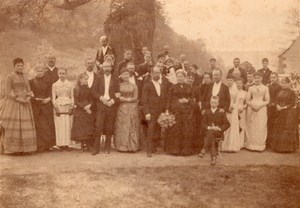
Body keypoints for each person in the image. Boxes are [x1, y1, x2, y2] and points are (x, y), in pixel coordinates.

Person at [0, 58, 37, 154]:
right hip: (14, 102)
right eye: (18, 66)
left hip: (25, 103)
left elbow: (28, 88)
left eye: (21, 65)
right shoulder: (10, 76)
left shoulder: (25, 76)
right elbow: (7, 91)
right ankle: (13, 149)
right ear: (14, 66)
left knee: (25, 125)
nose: (20, 67)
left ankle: (25, 149)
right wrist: (17, 98)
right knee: (13, 125)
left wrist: (29, 96)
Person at [165, 70, 195, 156]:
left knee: (186, 130)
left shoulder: (189, 87)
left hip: (187, 112)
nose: (179, 78)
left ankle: (186, 150)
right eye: (178, 77)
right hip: (176, 111)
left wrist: (187, 100)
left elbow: (193, 98)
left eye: (181, 76)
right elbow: (169, 99)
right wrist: (168, 109)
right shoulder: (173, 87)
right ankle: (175, 150)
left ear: (184, 77)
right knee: (176, 130)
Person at [92, 61, 119, 155]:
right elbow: (94, 91)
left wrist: (112, 101)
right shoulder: (98, 78)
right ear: (102, 68)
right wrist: (101, 98)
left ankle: (108, 147)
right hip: (101, 105)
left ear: (111, 68)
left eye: (108, 66)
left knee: (109, 127)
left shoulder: (116, 79)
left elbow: (118, 93)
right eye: (105, 67)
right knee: (98, 126)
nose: (107, 68)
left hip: (111, 106)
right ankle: (96, 148)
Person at [141, 66, 168, 157]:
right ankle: (149, 150)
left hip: (160, 112)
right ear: (151, 74)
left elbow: (164, 99)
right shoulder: (147, 85)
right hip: (151, 112)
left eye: (158, 73)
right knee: (150, 130)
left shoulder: (162, 86)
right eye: (155, 72)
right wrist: (147, 112)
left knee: (158, 130)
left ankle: (154, 147)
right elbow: (144, 100)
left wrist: (165, 111)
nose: (157, 74)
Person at [30, 67, 55, 152]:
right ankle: (39, 145)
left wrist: (49, 98)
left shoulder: (48, 82)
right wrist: (34, 99)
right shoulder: (31, 82)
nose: (39, 72)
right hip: (36, 106)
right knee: (38, 126)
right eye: (38, 71)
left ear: (43, 72)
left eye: (41, 71)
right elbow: (29, 93)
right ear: (35, 72)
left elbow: (51, 92)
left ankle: (47, 145)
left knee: (47, 125)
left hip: (46, 105)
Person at [199, 96, 230, 166]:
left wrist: (220, 128)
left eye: (215, 103)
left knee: (210, 134)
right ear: (210, 103)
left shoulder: (221, 112)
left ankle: (204, 148)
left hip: (218, 132)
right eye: (212, 102)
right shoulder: (207, 112)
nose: (213, 104)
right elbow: (203, 124)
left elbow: (227, 124)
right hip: (209, 131)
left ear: (218, 103)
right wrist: (209, 127)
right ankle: (213, 158)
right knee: (211, 135)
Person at [114, 68, 140, 152]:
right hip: (121, 108)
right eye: (124, 74)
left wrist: (126, 99)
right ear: (121, 76)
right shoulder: (118, 85)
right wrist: (119, 98)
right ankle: (122, 146)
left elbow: (135, 97)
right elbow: (116, 96)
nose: (125, 76)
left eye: (127, 74)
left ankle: (132, 146)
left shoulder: (133, 85)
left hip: (132, 107)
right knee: (122, 125)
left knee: (132, 124)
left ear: (129, 75)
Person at [271, 77, 299, 153]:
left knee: (285, 129)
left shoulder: (291, 92)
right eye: (282, 83)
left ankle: (286, 148)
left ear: (288, 84)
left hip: (287, 113)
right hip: (279, 112)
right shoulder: (279, 91)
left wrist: (284, 107)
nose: (283, 84)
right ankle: (277, 148)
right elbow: (276, 100)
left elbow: (292, 103)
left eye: (285, 83)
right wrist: (277, 106)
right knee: (278, 128)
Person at [245, 72, 270, 151]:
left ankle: (260, 145)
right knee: (252, 126)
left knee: (261, 126)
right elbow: (247, 100)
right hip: (252, 108)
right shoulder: (250, 88)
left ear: (261, 78)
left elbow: (267, 100)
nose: (257, 79)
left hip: (261, 108)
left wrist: (260, 105)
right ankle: (251, 144)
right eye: (255, 78)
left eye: (258, 78)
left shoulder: (265, 88)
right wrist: (252, 105)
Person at [71, 73, 95, 151]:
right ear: (80, 79)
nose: (86, 81)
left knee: (90, 123)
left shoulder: (89, 89)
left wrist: (89, 106)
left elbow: (92, 100)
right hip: (80, 109)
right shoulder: (76, 89)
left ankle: (88, 144)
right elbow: (76, 101)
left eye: (87, 79)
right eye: (85, 79)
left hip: (88, 108)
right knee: (80, 125)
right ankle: (82, 145)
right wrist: (84, 107)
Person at [52, 68, 74, 151]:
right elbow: (53, 97)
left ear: (66, 74)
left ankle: (67, 144)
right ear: (58, 74)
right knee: (60, 125)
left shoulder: (70, 84)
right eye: (60, 73)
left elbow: (72, 96)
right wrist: (55, 107)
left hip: (68, 105)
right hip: (58, 106)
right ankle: (60, 144)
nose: (62, 75)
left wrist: (72, 106)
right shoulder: (54, 84)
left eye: (63, 73)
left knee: (68, 125)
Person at [222, 74, 240, 152]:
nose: (229, 82)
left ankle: (232, 146)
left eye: (231, 80)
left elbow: (237, 101)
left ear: (233, 81)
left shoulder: (236, 90)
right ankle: (224, 145)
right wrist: (226, 108)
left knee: (232, 127)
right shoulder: (224, 89)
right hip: (226, 109)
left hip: (233, 110)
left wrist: (232, 107)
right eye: (228, 80)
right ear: (226, 81)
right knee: (225, 126)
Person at [267, 72, 282, 147]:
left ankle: (274, 142)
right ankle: (267, 141)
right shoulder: (268, 87)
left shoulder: (280, 87)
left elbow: (279, 98)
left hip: (276, 108)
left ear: (277, 78)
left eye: (274, 77)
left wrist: (274, 103)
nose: (272, 79)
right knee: (268, 124)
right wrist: (268, 102)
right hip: (268, 108)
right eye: (271, 77)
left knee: (274, 125)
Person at [235, 78, 247, 149]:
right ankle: (235, 142)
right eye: (237, 83)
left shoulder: (245, 93)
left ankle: (240, 143)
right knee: (235, 125)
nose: (238, 84)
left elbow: (247, 103)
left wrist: (243, 107)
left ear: (242, 84)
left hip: (242, 110)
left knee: (242, 125)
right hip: (235, 110)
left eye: (240, 83)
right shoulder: (234, 92)